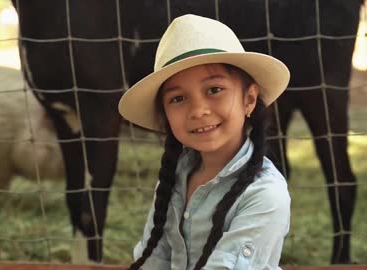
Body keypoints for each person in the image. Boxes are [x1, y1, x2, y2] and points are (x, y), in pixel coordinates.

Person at [118, 14, 291, 270]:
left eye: (214, 90)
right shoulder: (173, 179)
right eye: (178, 98)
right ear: (165, 114)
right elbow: (153, 258)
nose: (198, 111)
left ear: (249, 99)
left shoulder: (264, 195)